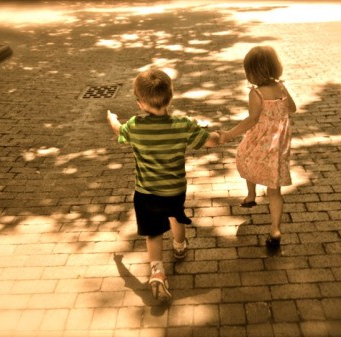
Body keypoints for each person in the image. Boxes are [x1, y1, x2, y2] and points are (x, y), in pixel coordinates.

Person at [107, 69, 220, 302]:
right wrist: (219, 135)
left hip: (146, 193)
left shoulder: (135, 126)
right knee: (176, 216)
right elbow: (210, 141)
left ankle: (157, 271)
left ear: (140, 103)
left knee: (153, 232)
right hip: (174, 190)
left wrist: (112, 119)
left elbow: (119, 130)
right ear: (171, 95)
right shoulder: (183, 125)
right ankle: (179, 246)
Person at [219, 45, 296, 249]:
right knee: (274, 191)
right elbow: (293, 108)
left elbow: (252, 119)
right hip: (278, 144)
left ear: (253, 72)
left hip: (260, 139)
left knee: (245, 156)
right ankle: (275, 229)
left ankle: (251, 194)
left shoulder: (256, 93)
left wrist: (229, 134)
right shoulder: (281, 87)